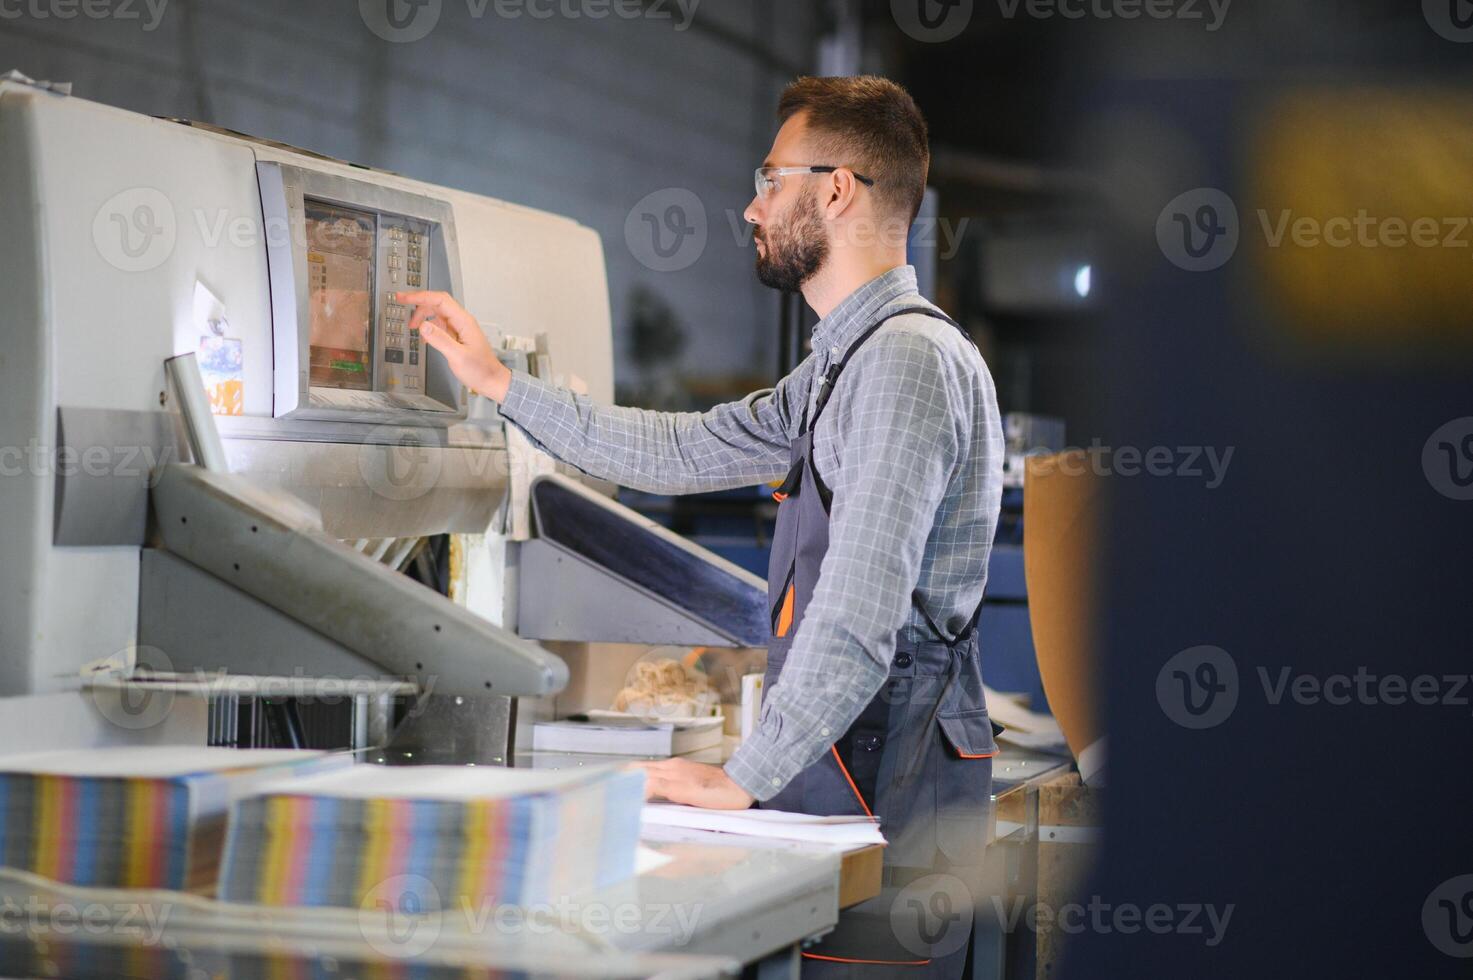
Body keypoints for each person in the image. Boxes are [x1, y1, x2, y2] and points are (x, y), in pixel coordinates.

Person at [401, 74, 1003, 978]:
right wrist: (498, 384)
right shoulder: (847, 362)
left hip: (890, 772)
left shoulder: (904, 364)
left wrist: (743, 774)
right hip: (854, 761)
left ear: (835, 188)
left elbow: (858, 611)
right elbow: (686, 450)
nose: (752, 207)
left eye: (770, 179)